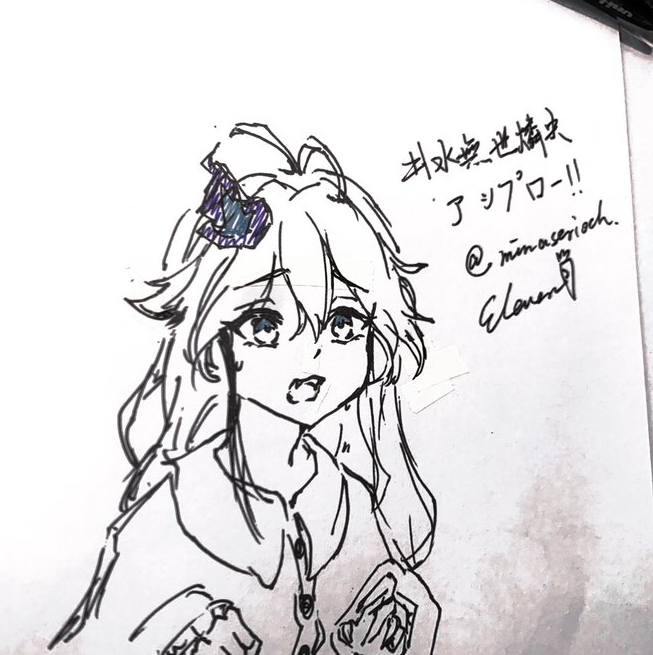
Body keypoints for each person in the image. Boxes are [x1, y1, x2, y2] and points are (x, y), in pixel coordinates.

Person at [50, 123, 441, 655]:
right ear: (217, 343)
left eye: (344, 323)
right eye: (264, 324)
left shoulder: (343, 494)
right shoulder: (170, 513)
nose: (310, 353)